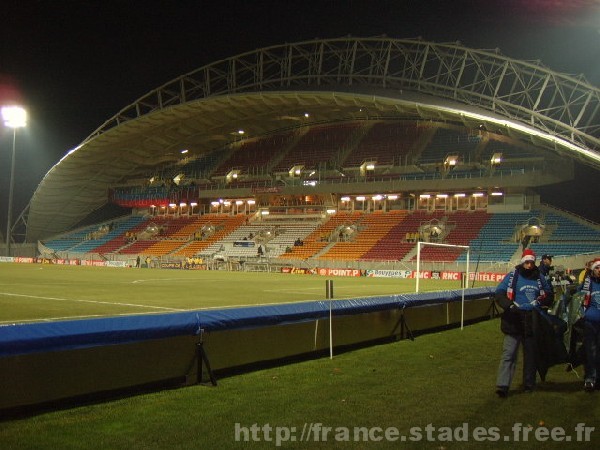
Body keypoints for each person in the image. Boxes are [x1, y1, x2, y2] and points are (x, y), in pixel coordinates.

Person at [494, 249, 554, 397]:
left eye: (531, 262)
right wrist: (510, 306)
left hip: (532, 320)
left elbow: (549, 293)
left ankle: (529, 384)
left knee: (531, 355)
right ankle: (503, 385)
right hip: (513, 320)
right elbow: (499, 292)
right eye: (526, 262)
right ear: (522, 262)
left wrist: (542, 302)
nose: (529, 265)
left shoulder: (539, 277)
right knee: (509, 354)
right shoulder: (512, 276)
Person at [578, 257, 600, 391]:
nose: (599, 270)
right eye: (597, 268)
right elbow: (579, 298)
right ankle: (590, 378)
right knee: (591, 351)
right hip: (590, 323)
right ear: (593, 270)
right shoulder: (588, 283)